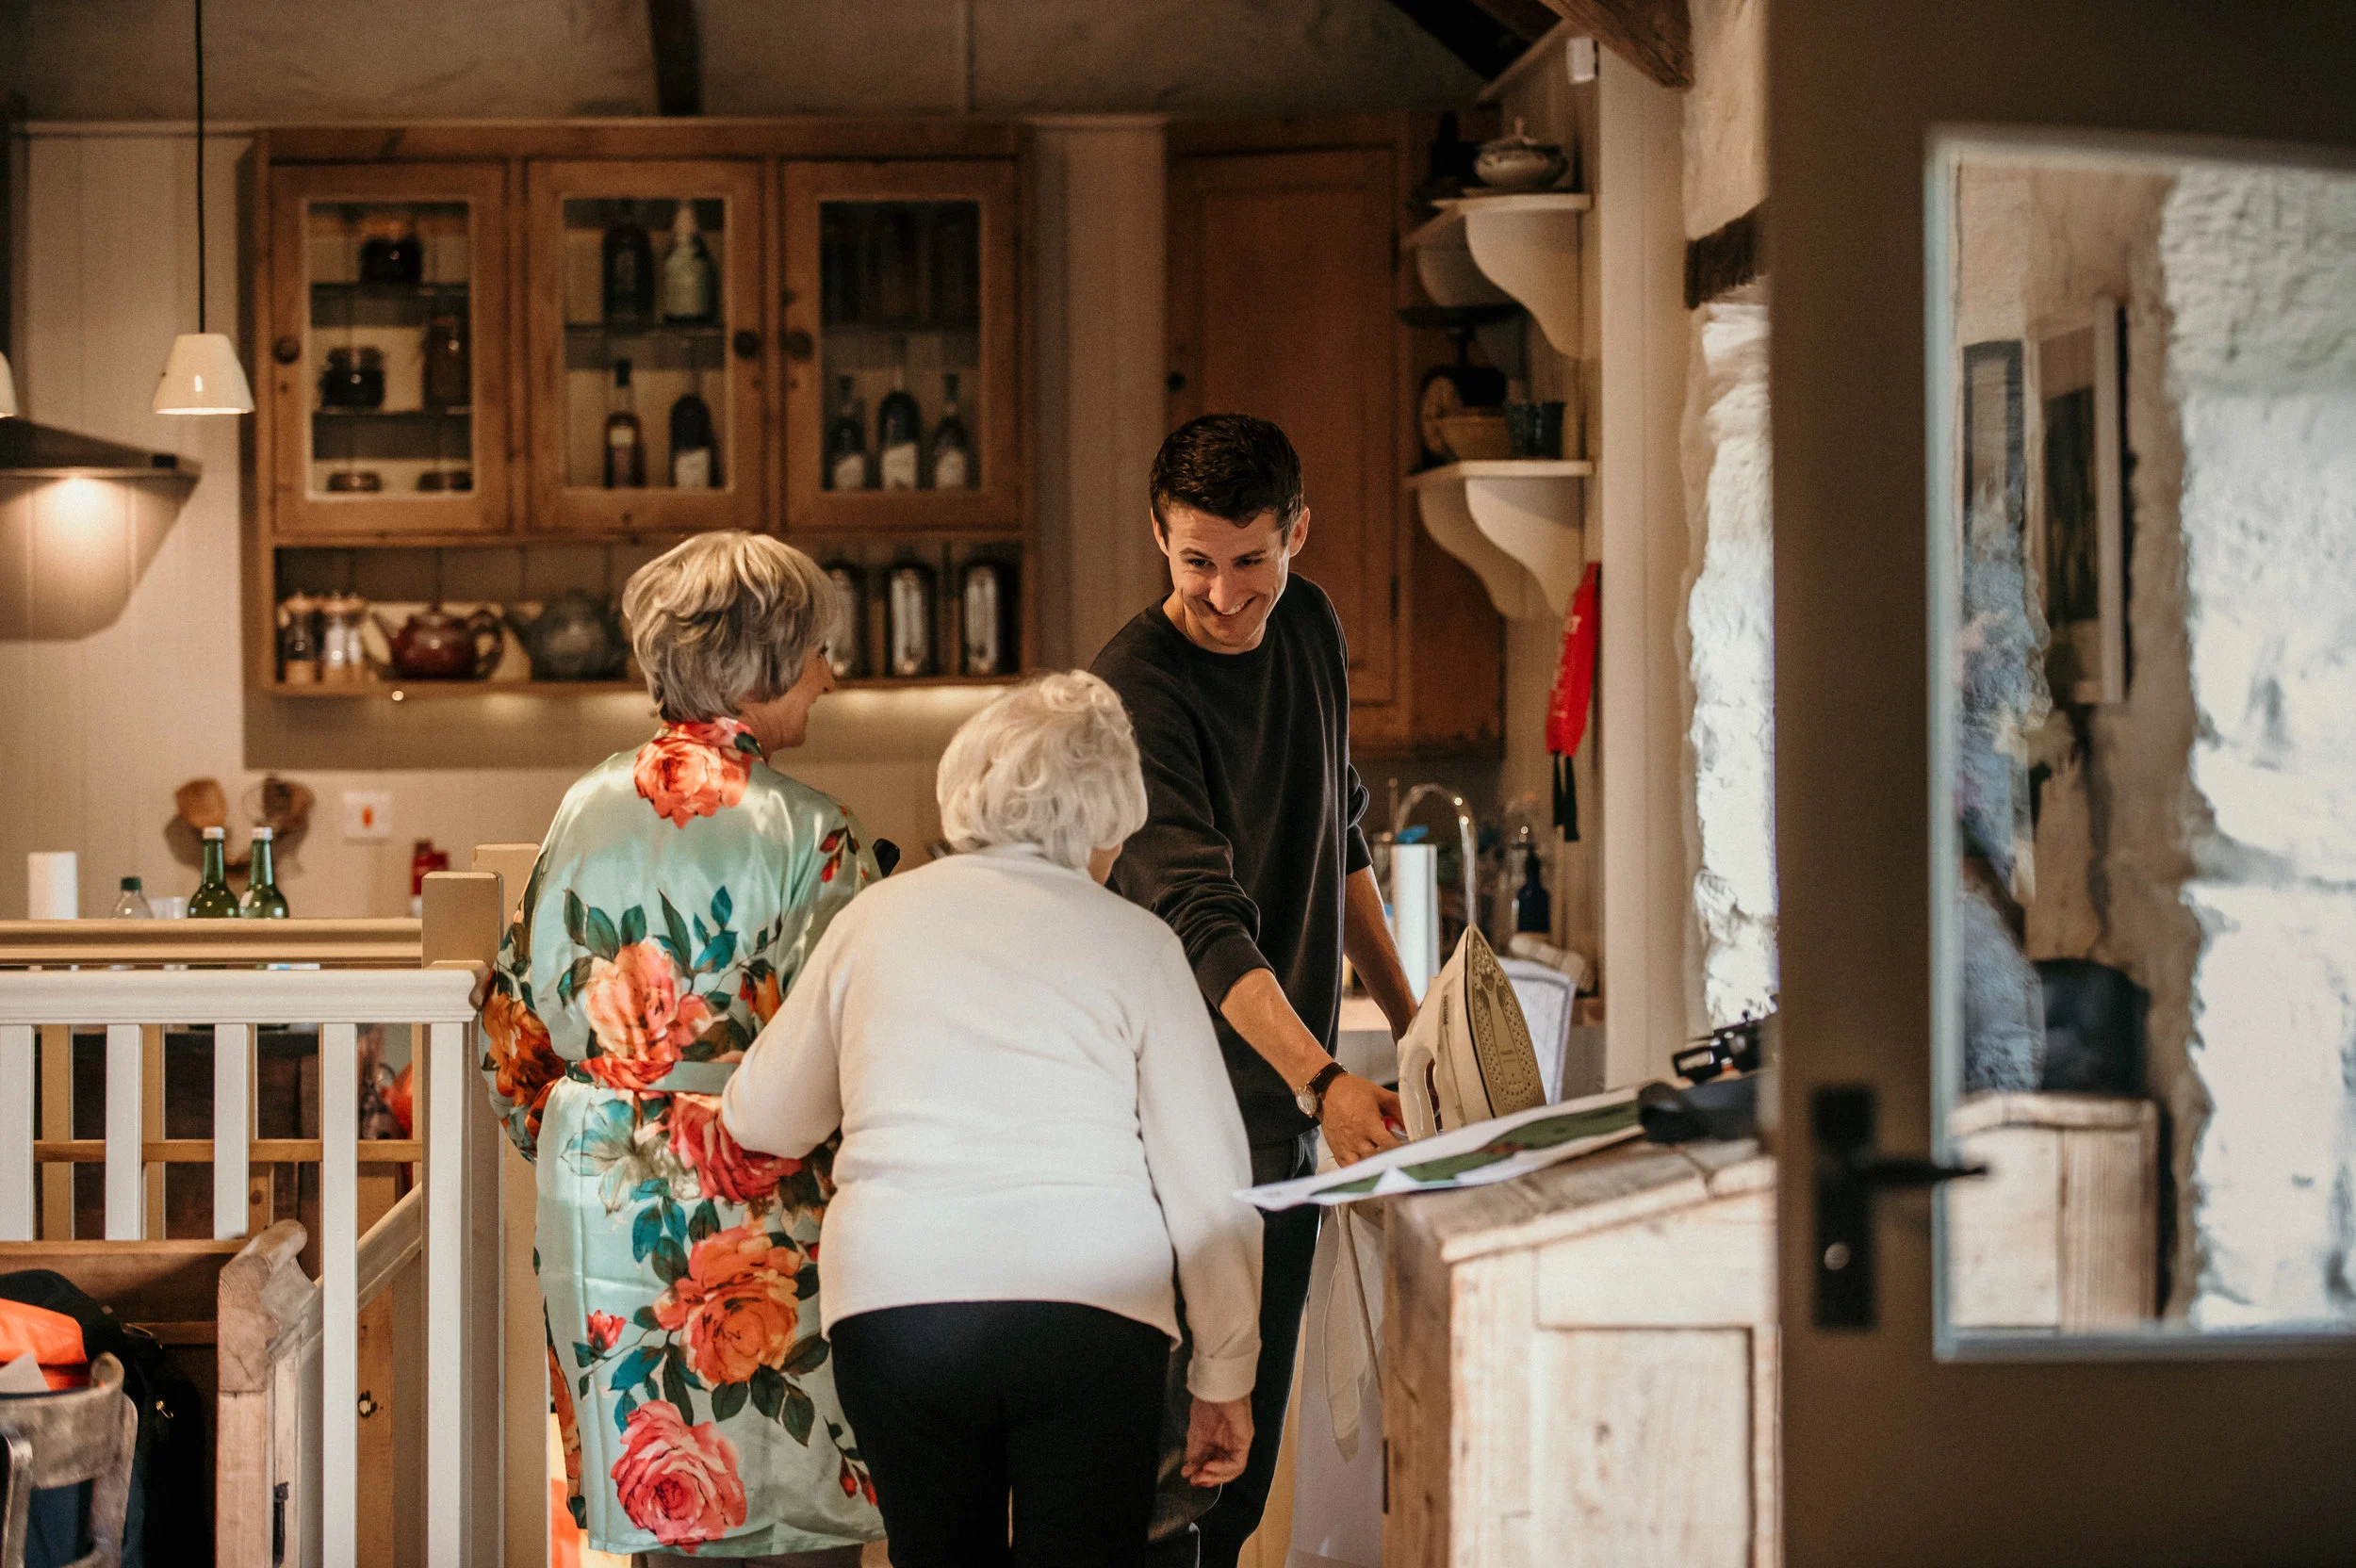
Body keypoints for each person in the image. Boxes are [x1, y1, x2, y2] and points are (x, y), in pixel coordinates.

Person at [720, 672, 1265, 1568]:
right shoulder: (1139, 943)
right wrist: (1226, 1375)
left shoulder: (873, 920)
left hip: (899, 1310)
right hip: (1093, 1314)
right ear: (1104, 817)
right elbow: (1210, 1182)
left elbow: (763, 1118)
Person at [478, 531, 883, 1566]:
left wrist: (589, 1134)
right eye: (816, 653)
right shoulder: (815, 832)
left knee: (668, 1501)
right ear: (759, 662)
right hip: (758, 1208)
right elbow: (844, 1049)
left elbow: (518, 1024)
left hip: (602, 1199)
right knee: (797, 1518)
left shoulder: (581, 805)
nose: (829, 678)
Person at [1089, 413, 1422, 1567]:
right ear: (1158, 537)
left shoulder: (1313, 623)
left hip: (1280, 1121)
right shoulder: (1134, 688)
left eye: (1252, 559)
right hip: (1173, 1131)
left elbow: (1344, 838)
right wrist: (1326, 1075)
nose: (1226, 594)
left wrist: (1416, 1020)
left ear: (1297, 533)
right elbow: (1203, 920)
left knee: (1243, 1478)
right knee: (1175, 1481)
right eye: (1196, 560)